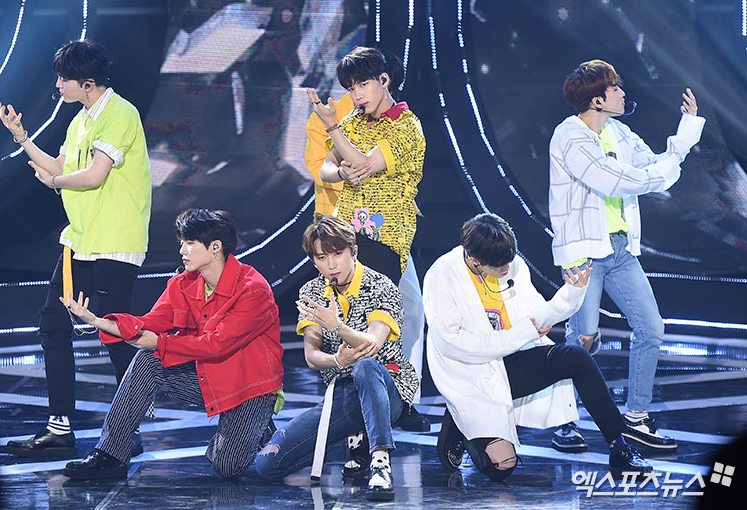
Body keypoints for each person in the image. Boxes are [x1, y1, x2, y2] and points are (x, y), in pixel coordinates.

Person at [0, 40, 152, 459]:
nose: (58, 86)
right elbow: (62, 168)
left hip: (115, 240)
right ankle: (59, 427)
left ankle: (129, 428)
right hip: (80, 239)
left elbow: (94, 175)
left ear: (87, 82)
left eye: (63, 79)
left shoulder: (120, 113)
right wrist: (22, 138)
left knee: (115, 334)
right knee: (53, 326)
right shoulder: (80, 120)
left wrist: (55, 183)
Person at [549, 59, 705, 451]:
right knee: (582, 339)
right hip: (584, 253)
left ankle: (636, 416)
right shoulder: (569, 136)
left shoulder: (618, 131)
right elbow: (613, 179)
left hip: (618, 248)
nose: (622, 92)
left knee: (651, 328)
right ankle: (564, 420)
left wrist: (685, 132)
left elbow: (654, 165)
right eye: (615, 88)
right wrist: (661, 176)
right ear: (597, 100)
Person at [423, 213, 652, 481]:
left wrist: (571, 293)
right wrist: (521, 334)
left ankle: (620, 447)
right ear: (475, 260)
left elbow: (536, 315)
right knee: (502, 467)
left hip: (510, 362)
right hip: (470, 374)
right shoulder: (442, 274)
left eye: (509, 262)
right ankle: (457, 422)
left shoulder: (513, 265)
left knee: (576, 357)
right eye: (500, 267)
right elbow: (453, 344)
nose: (507, 269)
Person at [61, 209, 284, 479]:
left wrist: (161, 342)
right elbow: (152, 322)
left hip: (249, 387)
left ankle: (259, 428)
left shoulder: (252, 289)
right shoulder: (183, 283)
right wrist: (98, 321)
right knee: (148, 361)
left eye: (189, 243)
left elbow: (217, 345)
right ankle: (111, 453)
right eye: (182, 242)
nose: (182, 250)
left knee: (226, 466)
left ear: (215, 247)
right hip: (210, 376)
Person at [306, 46, 428, 432]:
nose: (357, 95)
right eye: (351, 88)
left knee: (406, 313)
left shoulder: (406, 125)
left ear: (384, 80)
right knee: (358, 316)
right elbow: (328, 168)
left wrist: (334, 131)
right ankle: (358, 400)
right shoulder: (353, 122)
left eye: (363, 85)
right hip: (349, 237)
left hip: (388, 237)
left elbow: (363, 163)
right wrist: (341, 172)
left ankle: (399, 395)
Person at [256, 216, 418, 501]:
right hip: (342, 394)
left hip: (387, 389)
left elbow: (372, 345)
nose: (331, 264)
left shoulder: (381, 286)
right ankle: (347, 441)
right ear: (313, 261)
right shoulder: (312, 292)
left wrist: (338, 327)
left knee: (366, 366)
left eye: (337, 254)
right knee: (267, 464)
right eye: (322, 257)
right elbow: (312, 355)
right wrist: (338, 361)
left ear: (353, 251)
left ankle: (380, 462)